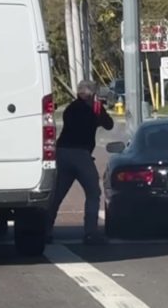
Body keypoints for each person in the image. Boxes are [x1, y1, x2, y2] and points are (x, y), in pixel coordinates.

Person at [48, 80, 114, 245]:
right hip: (80, 154)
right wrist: (99, 111)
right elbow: (108, 124)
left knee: (57, 195)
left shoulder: (71, 109)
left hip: (63, 152)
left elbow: (107, 125)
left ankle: (45, 231)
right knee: (93, 192)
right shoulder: (90, 110)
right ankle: (90, 232)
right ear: (92, 94)